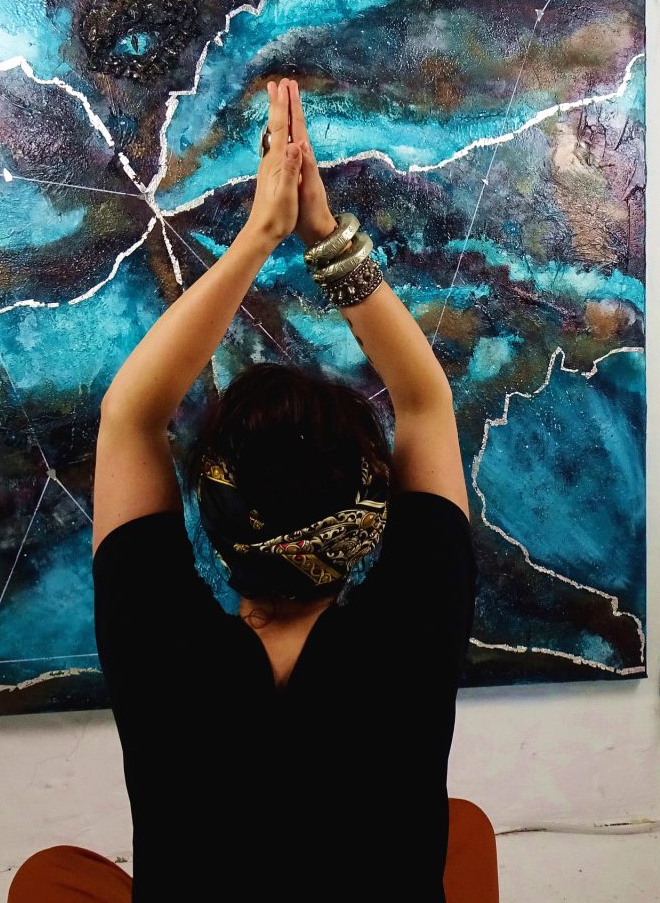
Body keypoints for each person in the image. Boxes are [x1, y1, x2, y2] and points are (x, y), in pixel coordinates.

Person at [90, 78, 477, 902]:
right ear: (370, 513)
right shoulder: (409, 642)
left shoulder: (160, 656)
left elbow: (129, 418)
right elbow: (424, 401)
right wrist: (321, 235)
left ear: (211, 511)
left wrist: (257, 236)